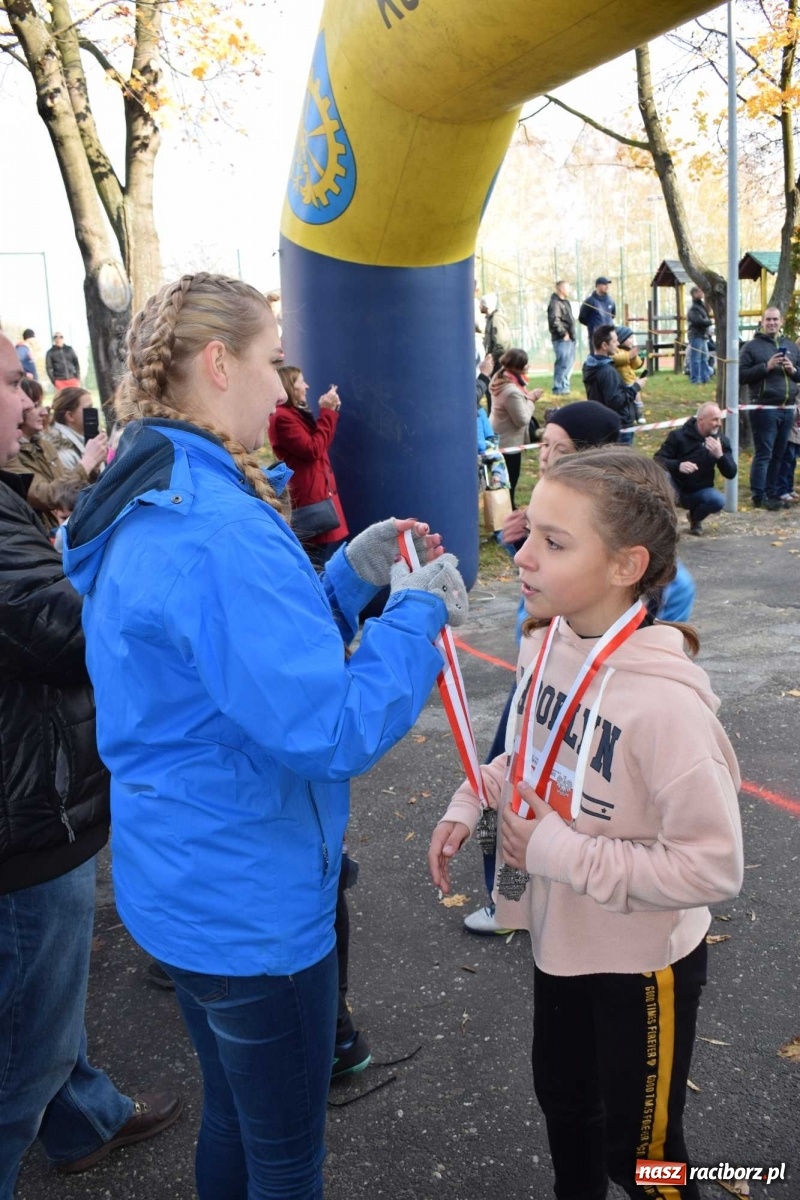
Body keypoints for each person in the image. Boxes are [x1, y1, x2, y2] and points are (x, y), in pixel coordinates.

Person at [62, 272, 468, 1200]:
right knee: (284, 1156)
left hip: (187, 876)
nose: (285, 386)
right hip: (251, 903)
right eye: (270, 361)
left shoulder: (150, 490)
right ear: (217, 364)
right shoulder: (213, 525)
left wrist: (347, 588)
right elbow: (326, 728)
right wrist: (412, 619)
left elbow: (222, 674)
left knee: (237, 1121)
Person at [430, 448, 743, 1200]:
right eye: (529, 531)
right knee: (566, 1109)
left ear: (626, 565)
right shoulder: (546, 641)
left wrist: (557, 849)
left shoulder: (667, 705)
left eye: (554, 542)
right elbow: (528, 756)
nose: (524, 555)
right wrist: (473, 798)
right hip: (559, 940)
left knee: (643, 1159)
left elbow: (712, 868)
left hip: (643, 966)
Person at [0, 333, 182, 1197]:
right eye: (14, 383)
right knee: (17, 1050)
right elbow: (66, 633)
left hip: (30, 805)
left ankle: (84, 1120)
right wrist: (124, 548)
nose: (32, 401)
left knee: (35, 1001)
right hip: (25, 824)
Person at [269, 366, 348, 572]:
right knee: (314, 566)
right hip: (311, 504)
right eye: (301, 382)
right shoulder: (283, 418)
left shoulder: (294, 414)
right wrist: (328, 413)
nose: (306, 386)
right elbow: (314, 449)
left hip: (319, 498)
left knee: (320, 562)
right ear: (289, 388)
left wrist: (329, 412)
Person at [3, 380, 107, 534]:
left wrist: (93, 467)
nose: (44, 412)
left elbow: (69, 489)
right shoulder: (7, 455)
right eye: (36, 405)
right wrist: (87, 463)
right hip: (46, 534)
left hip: (63, 529)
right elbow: (46, 496)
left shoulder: (45, 444)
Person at [739, 306, 800, 510]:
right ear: (762, 322)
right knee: (764, 452)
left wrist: (793, 370)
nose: (772, 323)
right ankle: (759, 495)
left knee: (779, 453)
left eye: (775, 319)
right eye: (768, 320)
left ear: (781, 321)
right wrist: (767, 367)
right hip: (764, 407)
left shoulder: (790, 345)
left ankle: (773, 494)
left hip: (787, 407)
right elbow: (741, 376)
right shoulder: (751, 347)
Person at [654, 402, 737, 536]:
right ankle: (665, 524)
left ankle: (695, 518)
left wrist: (720, 456)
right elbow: (657, 460)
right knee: (663, 475)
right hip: (675, 488)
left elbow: (731, 473)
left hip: (700, 491)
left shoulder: (721, 441)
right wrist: (678, 465)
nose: (719, 423)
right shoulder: (678, 436)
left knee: (718, 500)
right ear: (701, 420)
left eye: (720, 419)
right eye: (715, 419)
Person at [489, 348, 544, 509]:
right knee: (510, 482)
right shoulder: (512, 391)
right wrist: (532, 399)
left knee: (504, 484)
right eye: (526, 364)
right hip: (509, 443)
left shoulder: (500, 377)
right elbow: (522, 419)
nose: (528, 366)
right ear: (518, 367)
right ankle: (508, 512)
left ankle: (507, 511)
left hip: (500, 435)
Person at [582, 324, 645, 443]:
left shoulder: (589, 366)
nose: (618, 343)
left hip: (603, 423)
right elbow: (616, 401)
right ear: (605, 345)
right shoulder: (607, 371)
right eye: (615, 341)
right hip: (618, 427)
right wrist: (636, 386)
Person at [47, 386, 97, 471]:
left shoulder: (88, 436)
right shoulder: (63, 452)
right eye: (88, 409)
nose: (94, 412)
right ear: (70, 416)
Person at [546, 281, 576, 396]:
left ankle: (565, 386)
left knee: (569, 363)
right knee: (562, 363)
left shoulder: (565, 302)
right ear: (561, 289)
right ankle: (559, 388)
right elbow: (554, 320)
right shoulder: (555, 303)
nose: (569, 290)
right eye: (567, 288)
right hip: (562, 338)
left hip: (570, 337)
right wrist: (564, 333)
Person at [611, 326, 646, 424]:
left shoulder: (629, 351)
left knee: (636, 395)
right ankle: (635, 413)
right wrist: (629, 355)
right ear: (622, 339)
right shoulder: (616, 351)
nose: (632, 341)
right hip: (622, 381)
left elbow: (636, 365)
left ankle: (639, 412)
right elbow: (616, 359)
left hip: (630, 379)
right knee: (630, 398)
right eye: (630, 338)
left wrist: (635, 357)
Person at [686, 286, 713, 385]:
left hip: (702, 335)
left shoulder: (701, 306)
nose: (702, 293)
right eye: (699, 291)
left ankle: (705, 377)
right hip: (696, 335)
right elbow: (698, 321)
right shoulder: (693, 308)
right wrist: (709, 322)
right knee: (696, 358)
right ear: (694, 294)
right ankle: (695, 379)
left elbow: (706, 316)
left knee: (704, 357)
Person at [578, 276, 616, 342]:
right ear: (598, 286)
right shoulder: (589, 301)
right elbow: (582, 318)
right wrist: (593, 325)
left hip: (609, 336)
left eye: (607, 284)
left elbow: (613, 315)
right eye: (604, 284)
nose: (607, 286)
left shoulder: (611, 301)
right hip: (596, 337)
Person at [776, 395, 799, 503]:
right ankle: (781, 490)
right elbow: (792, 412)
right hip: (790, 432)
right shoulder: (795, 391)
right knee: (786, 461)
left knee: (792, 461)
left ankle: (789, 487)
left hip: (797, 434)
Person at [480, 293, 511, 372]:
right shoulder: (491, 319)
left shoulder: (496, 320)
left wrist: (492, 357)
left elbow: (500, 343)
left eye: (482, 303)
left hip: (499, 362)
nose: (479, 306)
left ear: (487, 305)